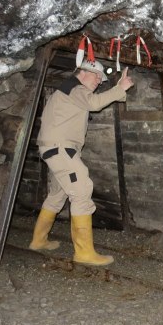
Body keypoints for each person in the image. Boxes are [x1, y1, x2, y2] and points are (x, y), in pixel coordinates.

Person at [29, 58, 134, 266]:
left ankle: (38, 241)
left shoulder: (67, 90)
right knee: (82, 189)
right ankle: (84, 252)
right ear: (84, 72)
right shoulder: (76, 88)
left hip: (55, 150)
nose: (99, 81)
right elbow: (94, 103)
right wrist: (119, 88)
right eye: (97, 76)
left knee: (57, 194)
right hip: (60, 150)